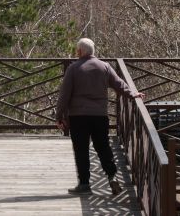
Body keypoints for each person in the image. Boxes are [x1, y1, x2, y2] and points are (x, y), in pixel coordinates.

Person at [55, 37, 143, 196]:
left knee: (81, 149)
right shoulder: (105, 66)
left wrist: (59, 116)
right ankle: (112, 176)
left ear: (79, 51)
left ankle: (84, 184)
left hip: (78, 116)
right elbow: (119, 84)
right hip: (99, 115)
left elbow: (64, 94)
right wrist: (133, 94)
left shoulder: (74, 68)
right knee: (103, 147)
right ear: (93, 51)